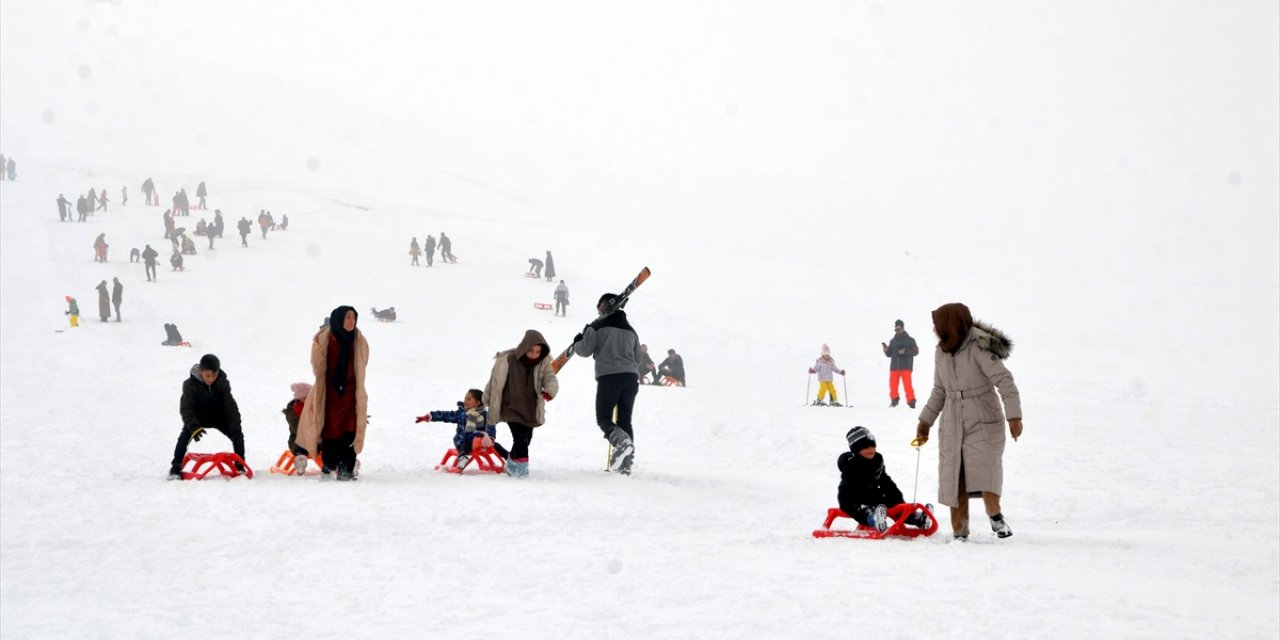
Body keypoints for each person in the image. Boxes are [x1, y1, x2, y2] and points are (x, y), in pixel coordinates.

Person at [913, 302, 1022, 541]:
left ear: (950, 324)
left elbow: (1004, 381)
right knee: (956, 474)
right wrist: (925, 423)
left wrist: (1014, 415)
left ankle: (995, 515)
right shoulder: (941, 351)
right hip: (953, 419)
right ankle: (959, 530)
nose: (934, 328)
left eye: (937, 323)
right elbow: (939, 390)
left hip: (983, 415)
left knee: (985, 466)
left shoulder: (979, 347)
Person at [295, 306, 370, 481]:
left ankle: (346, 470)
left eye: (353, 317)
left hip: (351, 396)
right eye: (347, 317)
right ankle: (328, 465)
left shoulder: (358, 341)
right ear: (338, 319)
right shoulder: (326, 340)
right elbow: (318, 367)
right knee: (331, 432)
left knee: (350, 432)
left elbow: (362, 365)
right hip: (330, 396)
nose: (351, 321)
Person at [573, 294, 641, 475]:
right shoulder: (632, 331)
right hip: (631, 379)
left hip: (609, 378)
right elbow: (638, 358)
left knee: (603, 418)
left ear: (604, 305)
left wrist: (578, 341)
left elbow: (584, 351)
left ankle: (621, 444)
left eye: (599, 306)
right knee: (625, 420)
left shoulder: (596, 327)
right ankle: (624, 465)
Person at [483, 330, 559, 477]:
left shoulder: (543, 362)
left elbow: (551, 379)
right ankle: (522, 472)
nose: (534, 354)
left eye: (538, 352)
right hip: (510, 406)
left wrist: (549, 391)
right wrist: (486, 398)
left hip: (530, 408)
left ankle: (511, 462)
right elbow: (494, 381)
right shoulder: (508, 360)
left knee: (526, 439)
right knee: (520, 439)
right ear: (524, 347)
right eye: (531, 350)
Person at [838, 426, 932, 533]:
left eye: (873, 445)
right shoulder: (851, 466)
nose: (871, 449)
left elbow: (884, 480)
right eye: (865, 447)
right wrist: (873, 500)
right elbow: (856, 486)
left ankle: (918, 519)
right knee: (862, 509)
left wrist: (897, 499)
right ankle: (874, 519)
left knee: (894, 505)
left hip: (874, 495)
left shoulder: (877, 461)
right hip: (852, 498)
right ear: (856, 450)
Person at [168, 354, 245, 480]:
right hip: (198, 417)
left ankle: (240, 465)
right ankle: (175, 468)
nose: (211, 379)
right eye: (207, 376)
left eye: (214, 376)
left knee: (237, 435)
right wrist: (194, 426)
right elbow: (186, 409)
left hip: (217, 416)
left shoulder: (222, 383)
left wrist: (235, 426)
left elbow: (230, 406)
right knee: (184, 435)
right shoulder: (189, 385)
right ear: (200, 372)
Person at [416, 389, 511, 472]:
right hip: (463, 440)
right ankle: (463, 457)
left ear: (477, 403)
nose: (465, 401)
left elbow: (490, 425)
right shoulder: (461, 413)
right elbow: (446, 415)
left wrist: (491, 437)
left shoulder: (484, 415)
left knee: (496, 445)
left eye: (468, 399)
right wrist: (430, 416)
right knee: (465, 444)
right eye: (465, 398)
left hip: (482, 441)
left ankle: (510, 458)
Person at [883, 319, 920, 408]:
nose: (897, 331)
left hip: (906, 367)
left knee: (907, 385)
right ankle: (894, 400)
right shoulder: (892, 341)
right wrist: (886, 350)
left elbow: (916, 351)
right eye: (895, 329)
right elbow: (889, 354)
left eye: (898, 329)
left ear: (903, 328)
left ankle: (911, 402)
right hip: (894, 367)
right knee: (892, 385)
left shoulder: (910, 340)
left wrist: (905, 351)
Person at [282, 382, 313, 465]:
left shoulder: (315, 408)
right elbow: (298, 429)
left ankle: (336, 463)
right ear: (301, 399)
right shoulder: (293, 412)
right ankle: (300, 461)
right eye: (308, 398)